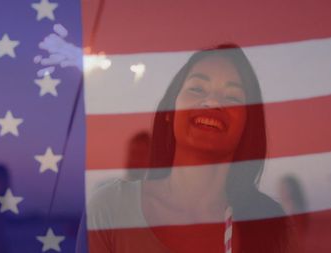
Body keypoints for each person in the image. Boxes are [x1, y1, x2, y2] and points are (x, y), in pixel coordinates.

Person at [87, 44, 288, 253]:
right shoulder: (111, 208)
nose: (212, 102)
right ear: (169, 112)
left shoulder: (269, 226)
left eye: (232, 96)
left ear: (247, 126)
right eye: (197, 89)